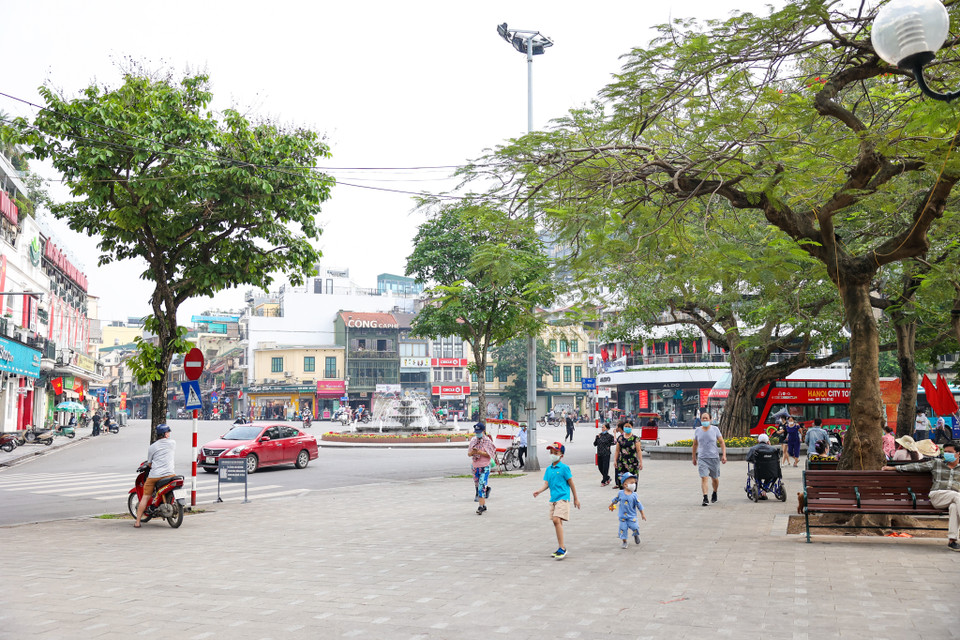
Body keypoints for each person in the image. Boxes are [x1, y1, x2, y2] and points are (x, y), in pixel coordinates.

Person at [883, 441, 960, 552]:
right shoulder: (936, 463)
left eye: (950, 452)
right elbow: (916, 466)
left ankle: (952, 540)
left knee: (954, 506)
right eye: (945, 452)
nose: (946, 454)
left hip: (955, 499)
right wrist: (894, 468)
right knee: (957, 496)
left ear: (958, 454)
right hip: (937, 496)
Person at [532, 442, 581, 560]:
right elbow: (546, 484)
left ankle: (562, 548)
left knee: (555, 519)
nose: (553, 455)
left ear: (561, 455)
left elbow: (571, 483)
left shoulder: (564, 468)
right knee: (557, 522)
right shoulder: (549, 469)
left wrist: (576, 498)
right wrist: (539, 491)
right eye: (551, 453)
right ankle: (560, 547)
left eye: (556, 453)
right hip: (553, 499)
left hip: (563, 498)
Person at [134, 424, 176, 528]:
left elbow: (149, 463)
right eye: (168, 433)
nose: (169, 434)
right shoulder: (172, 443)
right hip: (170, 474)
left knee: (145, 497)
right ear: (165, 434)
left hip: (155, 476)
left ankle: (137, 522)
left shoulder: (152, 447)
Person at [692, 412, 727, 506]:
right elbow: (695, 444)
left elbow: (722, 442)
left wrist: (724, 455)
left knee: (714, 478)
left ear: (710, 419)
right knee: (704, 477)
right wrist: (694, 457)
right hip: (702, 458)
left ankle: (715, 492)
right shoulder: (698, 430)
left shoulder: (715, 429)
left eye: (706, 418)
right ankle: (705, 497)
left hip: (714, 458)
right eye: (703, 418)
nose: (704, 420)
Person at [609, 472, 646, 548]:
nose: (634, 485)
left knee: (635, 527)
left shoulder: (634, 495)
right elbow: (615, 500)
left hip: (632, 516)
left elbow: (639, 505)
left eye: (634, 483)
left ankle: (636, 534)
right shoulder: (620, 493)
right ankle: (624, 542)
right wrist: (611, 505)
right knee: (623, 529)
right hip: (623, 516)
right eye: (632, 483)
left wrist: (642, 514)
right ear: (625, 485)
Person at [468, 423, 496, 515]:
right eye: (476, 432)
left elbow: (490, 454)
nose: (477, 434)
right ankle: (483, 505)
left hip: (485, 466)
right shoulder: (473, 440)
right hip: (475, 466)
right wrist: (473, 452)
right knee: (477, 485)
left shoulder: (487, 441)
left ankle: (480, 506)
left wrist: (480, 452)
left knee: (481, 485)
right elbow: (468, 454)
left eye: (479, 432)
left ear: (483, 431)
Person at [746, 434, 781, 499]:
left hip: (759, 471)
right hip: (772, 472)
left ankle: (760, 489)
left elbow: (748, 458)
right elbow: (777, 458)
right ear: (768, 441)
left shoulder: (754, 448)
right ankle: (764, 489)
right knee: (770, 475)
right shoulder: (773, 449)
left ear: (758, 441)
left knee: (757, 474)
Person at [614, 421, 643, 490]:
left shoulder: (635, 439)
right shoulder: (620, 438)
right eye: (626, 426)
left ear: (632, 427)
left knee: (632, 483)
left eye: (629, 427)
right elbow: (617, 450)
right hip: (622, 462)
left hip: (633, 463)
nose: (627, 428)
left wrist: (641, 462)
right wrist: (615, 460)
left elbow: (639, 451)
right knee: (622, 481)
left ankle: (632, 498)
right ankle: (623, 497)